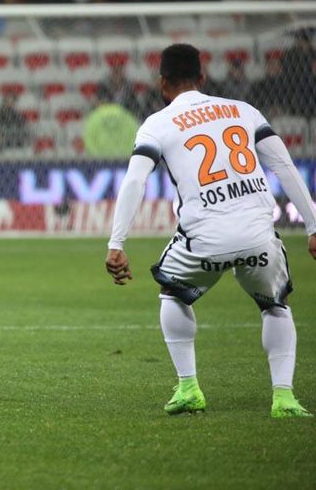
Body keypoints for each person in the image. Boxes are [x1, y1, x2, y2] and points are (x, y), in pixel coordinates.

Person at [105, 43, 316, 418]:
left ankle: (189, 388)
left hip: (205, 237)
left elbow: (135, 180)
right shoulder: (244, 111)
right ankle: (283, 398)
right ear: (202, 78)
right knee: (275, 307)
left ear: (162, 83)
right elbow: (284, 167)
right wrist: (313, 225)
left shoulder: (157, 123)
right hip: (258, 234)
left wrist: (116, 241)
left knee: (173, 294)